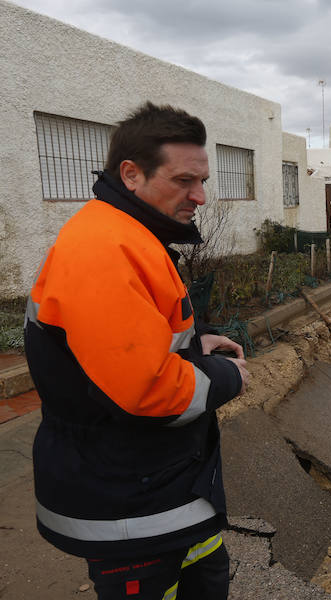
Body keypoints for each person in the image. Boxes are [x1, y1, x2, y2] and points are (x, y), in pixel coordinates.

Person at [24, 102, 249, 599]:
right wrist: (229, 377)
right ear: (131, 174)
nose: (201, 197)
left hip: (162, 490)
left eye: (203, 180)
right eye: (185, 180)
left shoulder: (130, 235)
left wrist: (197, 340)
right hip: (130, 507)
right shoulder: (103, 250)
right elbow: (147, 390)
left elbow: (141, 337)